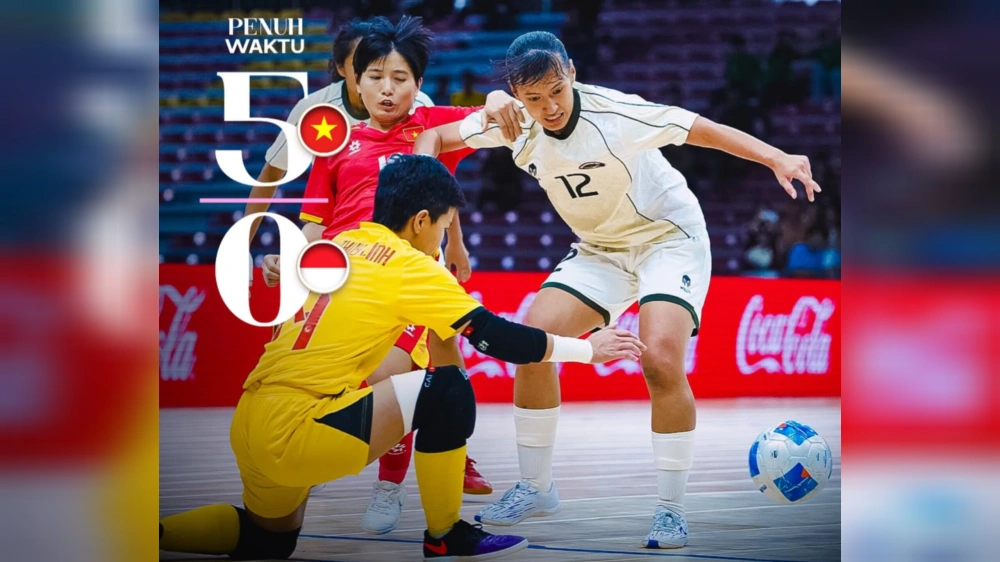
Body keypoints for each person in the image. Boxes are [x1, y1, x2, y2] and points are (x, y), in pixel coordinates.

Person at [414, 31, 820, 549]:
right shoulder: (514, 122)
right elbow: (436, 140)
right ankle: (537, 487)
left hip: (667, 238)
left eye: (556, 90)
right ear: (517, 95)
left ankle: (671, 510)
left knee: (661, 360)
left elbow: (704, 130)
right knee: (533, 342)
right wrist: (430, 192)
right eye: (533, 98)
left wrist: (776, 157)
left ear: (572, 73)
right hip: (601, 248)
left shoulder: (618, 113)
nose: (548, 106)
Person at [159, 154, 645, 561]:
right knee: (449, 390)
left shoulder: (338, 245)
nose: (443, 239)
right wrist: (587, 348)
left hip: (251, 421)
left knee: (267, 540)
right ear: (421, 221)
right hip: (300, 431)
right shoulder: (413, 265)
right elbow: (495, 338)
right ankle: (445, 535)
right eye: (445, 226)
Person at [258, 15, 524, 534]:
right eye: (375, 76)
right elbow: (315, 225)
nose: (386, 88)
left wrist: (495, 98)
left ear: (418, 85)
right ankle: (280, 505)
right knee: (322, 389)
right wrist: (291, 264)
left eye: (400, 78)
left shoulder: (433, 129)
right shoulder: (334, 143)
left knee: (399, 374)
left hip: (403, 281)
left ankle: (390, 487)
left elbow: (490, 114)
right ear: (353, 82)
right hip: (338, 284)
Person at [243, 18, 436, 245]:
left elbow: (439, 179)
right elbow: (272, 173)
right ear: (342, 68)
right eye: (361, 64)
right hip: (342, 235)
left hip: (409, 233)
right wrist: (242, 245)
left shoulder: (419, 104)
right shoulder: (313, 110)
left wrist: (455, 240)